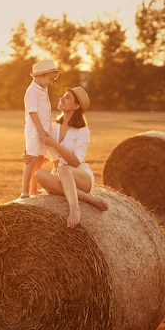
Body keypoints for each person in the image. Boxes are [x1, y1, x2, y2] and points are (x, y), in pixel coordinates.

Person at [33, 86, 108, 228]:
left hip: (79, 175)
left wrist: (54, 144)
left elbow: (74, 161)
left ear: (76, 106)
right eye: (63, 95)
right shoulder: (53, 126)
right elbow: (50, 156)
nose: (61, 98)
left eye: (67, 97)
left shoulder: (82, 131)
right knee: (39, 174)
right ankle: (87, 198)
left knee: (64, 169)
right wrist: (30, 156)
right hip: (59, 174)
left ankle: (75, 208)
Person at [20, 59, 60, 199]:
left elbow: (44, 112)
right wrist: (41, 131)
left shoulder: (43, 89)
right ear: (40, 76)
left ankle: (34, 189)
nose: (51, 82)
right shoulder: (32, 91)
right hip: (34, 130)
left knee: (40, 159)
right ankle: (24, 190)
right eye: (50, 79)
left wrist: (53, 121)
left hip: (44, 129)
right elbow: (33, 113)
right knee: (31, 158)